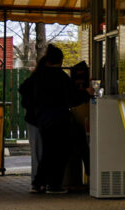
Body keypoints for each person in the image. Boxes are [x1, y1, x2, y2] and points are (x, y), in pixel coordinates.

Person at [18, 45, 85, 194]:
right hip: (58, 119)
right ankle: (54, 185)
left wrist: (33, 108)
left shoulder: (38, 75)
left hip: (41, 119)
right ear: (60, 61)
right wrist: (86, 93)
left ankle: (38, 184)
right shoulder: (60, 76)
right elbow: (73, 98)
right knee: (59, 153)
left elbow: (23, 89)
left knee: (48, 153)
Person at [65, 61, 94, 192]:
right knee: (84, 150)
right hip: (83, 121)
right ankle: (89, 175)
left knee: (81, 150)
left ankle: (79, 179)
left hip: (76, 122)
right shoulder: (82, 92)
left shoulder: (70, 85)